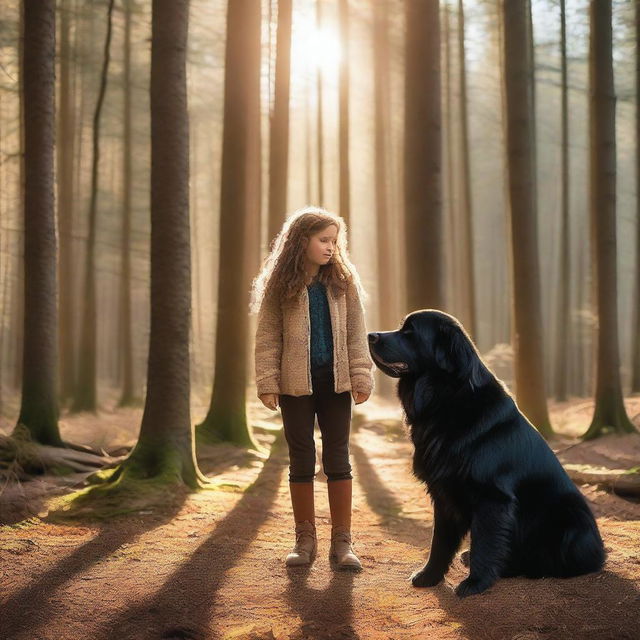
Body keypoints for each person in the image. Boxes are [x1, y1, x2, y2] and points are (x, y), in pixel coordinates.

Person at [251, 206, 374, 570]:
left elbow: (356, 333)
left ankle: (343, 542)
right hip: (294, 387)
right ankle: (305, 540)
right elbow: (268, 337)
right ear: (301, 241)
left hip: (336, 385)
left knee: (337, 457)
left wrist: (361, 375)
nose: (330, 248)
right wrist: (268, 382)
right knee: (301, 458)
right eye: (323, 240)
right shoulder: (280, 284)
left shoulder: (343, 282)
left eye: (335, 241)